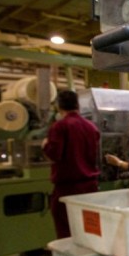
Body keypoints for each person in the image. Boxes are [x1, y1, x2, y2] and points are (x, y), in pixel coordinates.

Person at [42, 90, 100, 239]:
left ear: (59, 106)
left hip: (68, 190)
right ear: (78, 105)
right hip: (90, 188)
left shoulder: (60, 126)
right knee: (90, 232)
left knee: (68, 234)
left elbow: (55, 154)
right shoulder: (91, 127)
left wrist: (45, 145)